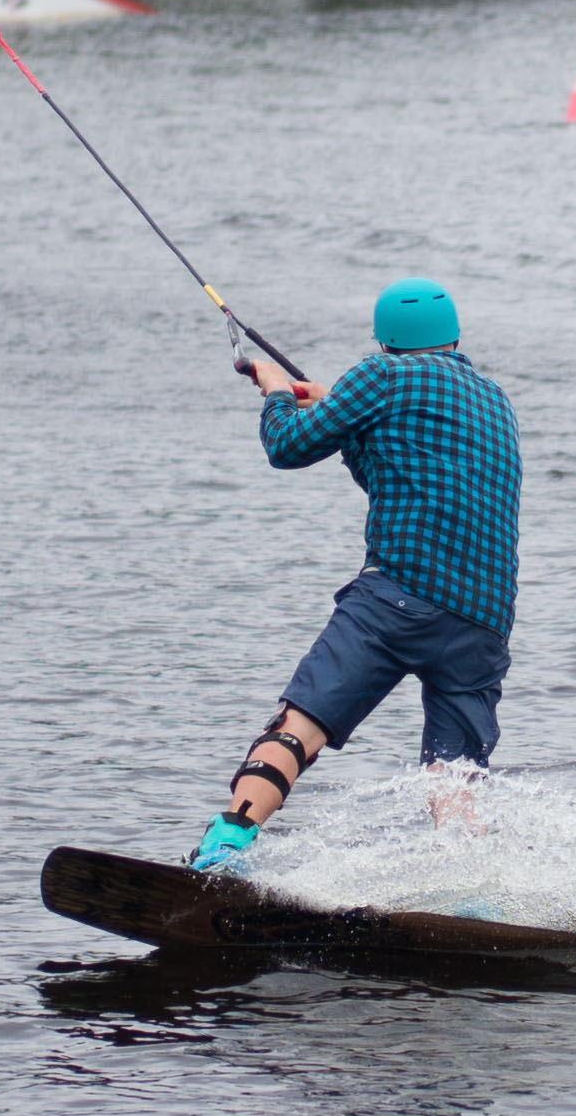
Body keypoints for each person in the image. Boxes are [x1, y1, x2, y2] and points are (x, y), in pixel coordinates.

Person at [194, 275, 519, 872]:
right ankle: (474, 887)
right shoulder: (495, 400)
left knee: (300, 726)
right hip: (484, 621)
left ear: (385, 340)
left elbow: (287, 447)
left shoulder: (382, 376)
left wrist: (275, 392)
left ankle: (224, 848)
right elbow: (399, 477)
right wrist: (347, 417)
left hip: (399, 596)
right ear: (452, 338)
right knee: (454, 775)